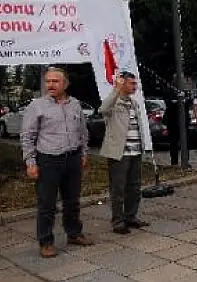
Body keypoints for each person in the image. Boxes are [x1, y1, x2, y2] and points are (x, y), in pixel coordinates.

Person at [21, 67, 93, 258]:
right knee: (47, 204)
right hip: (48, 161)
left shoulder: (75, 104)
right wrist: (31, 162)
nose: (50, 85)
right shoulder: (36, 106)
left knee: (72, 201)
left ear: (66, 84)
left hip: (73, 159)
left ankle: (74, 233)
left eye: (55, 81)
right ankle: (45, 241)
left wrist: (83, 153)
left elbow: (83, 132)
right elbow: (27, 137)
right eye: (48, 81)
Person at [98, 72, 151, 234]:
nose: (134, 87)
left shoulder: (134, 103)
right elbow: (103, 109)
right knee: (118, 188)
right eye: (131, 83)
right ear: (122, 84)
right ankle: (118, 221)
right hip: (119, 153)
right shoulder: (114, 102)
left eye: (135, 83)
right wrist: (116, 90)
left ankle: (131, 216)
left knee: (134, 187)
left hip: (135, 151)